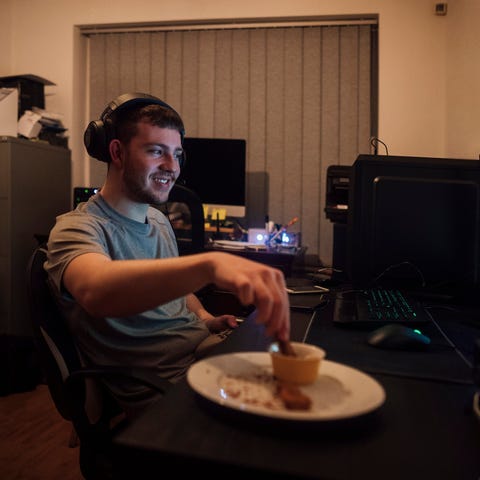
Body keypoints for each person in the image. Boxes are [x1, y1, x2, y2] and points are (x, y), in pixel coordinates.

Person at [45, 92, 290, 417]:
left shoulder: (159, 220)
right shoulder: (77, 229)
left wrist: (205, 319)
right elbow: (96, 291)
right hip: (164, 383)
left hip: (202, 349)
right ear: (116, 151)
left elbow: (176, 287)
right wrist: (210, 264)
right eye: (156, 151)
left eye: (177, 155)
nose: (172, 167)